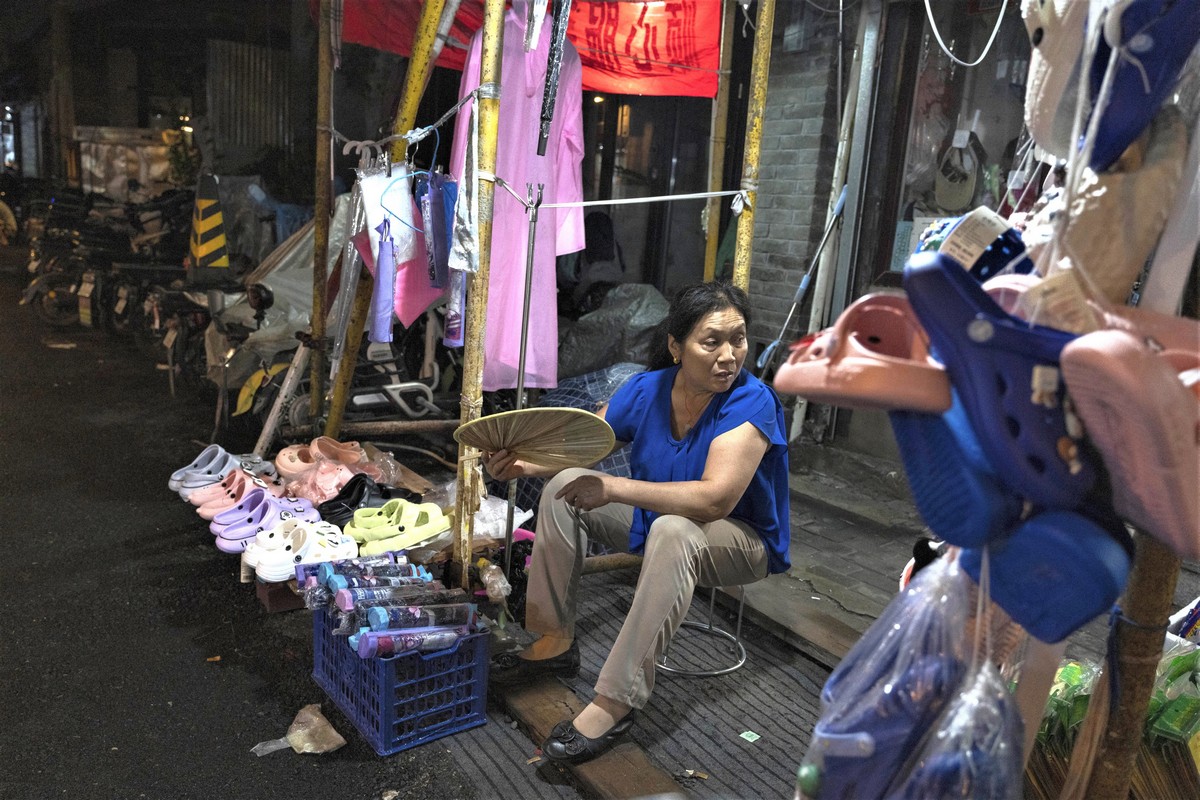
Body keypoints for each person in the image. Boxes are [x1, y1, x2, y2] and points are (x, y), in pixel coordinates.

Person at [482, 281, 791, 764]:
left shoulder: (751, 402)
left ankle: (615, 701)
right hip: (663, 523)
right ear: (676, 346)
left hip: (740, 540)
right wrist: (525, 464)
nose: (729, 355)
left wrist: (613, 488)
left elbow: (713, 500)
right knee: (566, 485)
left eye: (738, 339)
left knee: (674, 528)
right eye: (712, 341)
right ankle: (554, 638)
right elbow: (586, 447)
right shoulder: (648, 389)